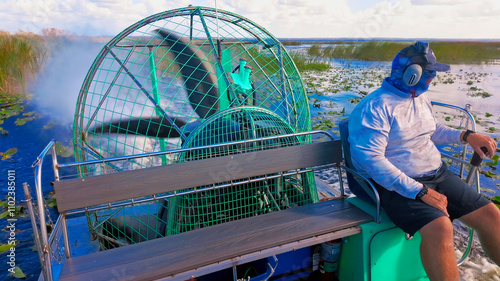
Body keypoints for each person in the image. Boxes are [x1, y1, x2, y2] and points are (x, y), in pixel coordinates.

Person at [348, 41, 500, 281]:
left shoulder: (420, 98)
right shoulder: (375, 107)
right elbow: (370, 161)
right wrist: (419, 192)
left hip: (437, 173)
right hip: (394, 184)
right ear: (411, 74)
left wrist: (466, 136)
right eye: (429, 74)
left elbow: (432, 130)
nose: (432, 79)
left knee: (492, 215)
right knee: (441, 227)